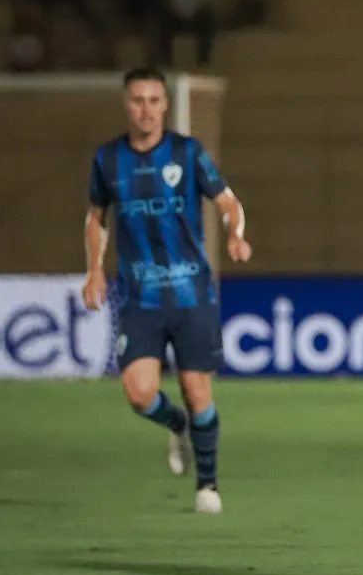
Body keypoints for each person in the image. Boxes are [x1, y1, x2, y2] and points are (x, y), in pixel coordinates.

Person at [82, 67, 252, 514]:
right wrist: (94, 271)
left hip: (191, 294)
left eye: (154, 101)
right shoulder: (108, 159)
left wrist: (235, 234)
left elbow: (229, 202)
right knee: (139, 394)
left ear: (165, 105)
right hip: (140, 298)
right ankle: (177, 425)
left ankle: (208, 486)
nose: (146, 110)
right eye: (138, 101)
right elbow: (96, 217)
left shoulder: (187, 153)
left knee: (199, 392)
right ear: (127, 105)